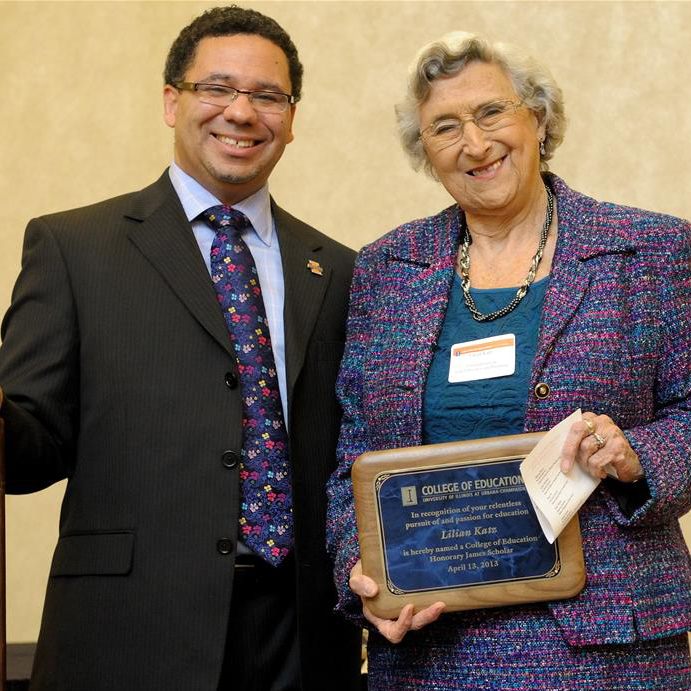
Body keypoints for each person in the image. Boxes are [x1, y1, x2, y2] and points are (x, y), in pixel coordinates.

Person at [0, 6, 361, 691]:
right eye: (216, 88)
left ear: (291, 116)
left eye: (266, 95)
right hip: (129, 631)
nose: (241, 112)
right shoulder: (74, 248)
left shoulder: (337, 269)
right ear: (172, 101)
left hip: (303, 636)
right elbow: (29, 450)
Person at [326, 30, 691, 690]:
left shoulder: (653, 251)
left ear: (538, 117)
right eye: (444, 126)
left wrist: (640, 454)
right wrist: (361, 570)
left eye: (491, 112)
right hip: (430, 652)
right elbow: (353, 455)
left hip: (609, 651)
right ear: (425, 152)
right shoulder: (386, 269)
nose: (474, 143)